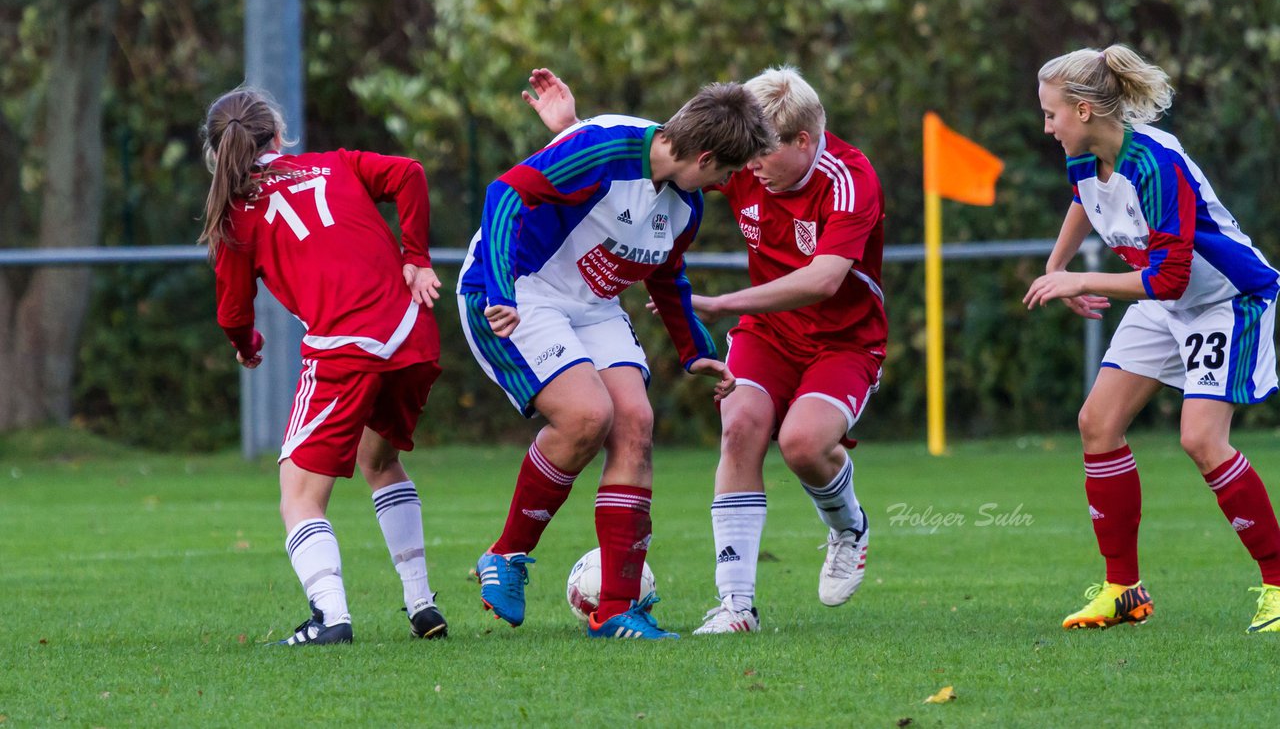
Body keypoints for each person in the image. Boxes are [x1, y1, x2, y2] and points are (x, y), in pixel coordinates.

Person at [523, 66, 886, 635]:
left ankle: (848, 527)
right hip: (768, 334)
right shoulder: (747, 165)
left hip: (844, 341)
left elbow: (824, 280)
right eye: (746, 158)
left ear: (804, 142)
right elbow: (660, 155)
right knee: (739, 428)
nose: (751, 168)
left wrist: (718, 304)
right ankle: (737, 607)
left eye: (764, 154)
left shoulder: (849, 178)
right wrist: (570, 128)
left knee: (802, 445)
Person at [458, 81, 775, 640]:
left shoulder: (686, 203)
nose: (726, 185)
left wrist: (695, 348)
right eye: (725, 173)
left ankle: (616, 612)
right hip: (519, 289)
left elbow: (666, 273)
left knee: (636, 423)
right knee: (587, 416)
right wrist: (502, 289)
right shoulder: (606, 148)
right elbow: (504, 194)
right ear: (703, 158)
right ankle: (505, 555)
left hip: (592, 305)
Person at [1025, 44, 1280, 633]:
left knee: (1200, 439)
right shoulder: (1085, 155)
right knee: (1098, 424)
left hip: (1226, 300)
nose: (1046, 127)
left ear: (1085, 111)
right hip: (1167, 301)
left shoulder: (1155, 164)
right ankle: (1123, 591)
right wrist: (1056, 269)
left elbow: (1170, 278)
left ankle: (1277, 582)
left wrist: (1082, 277)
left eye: (1051, 114)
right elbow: (1083, 205)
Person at [200, 87, 447, 645]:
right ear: (279, 136)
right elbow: (409, 172)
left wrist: (247, 342)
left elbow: (232, 312)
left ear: (218, 156)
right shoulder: (334, 165)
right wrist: (416, 257)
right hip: (413, 335)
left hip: (346, 348)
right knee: (379, 459)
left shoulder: (238, 214)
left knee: (298, 491)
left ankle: (330, 618)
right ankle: (422, 604)